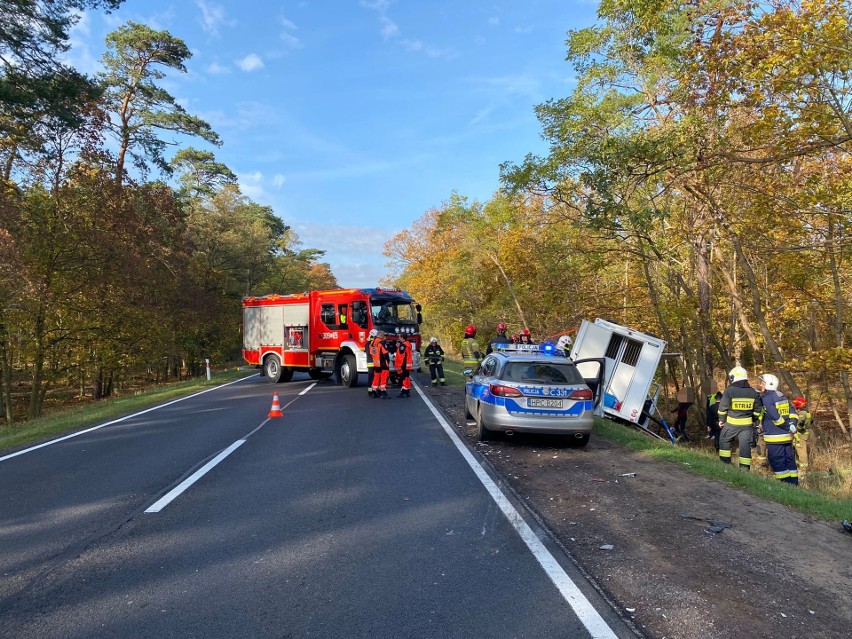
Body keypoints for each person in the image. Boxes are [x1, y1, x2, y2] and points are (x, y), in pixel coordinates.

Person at [755, 373, 799, 485]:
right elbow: (793, 412)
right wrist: (792, 425)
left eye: (762, 383)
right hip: (787, 437)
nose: (760, 385)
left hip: (775, 437)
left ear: (769, 384)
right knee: (789, 460)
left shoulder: (767, 398)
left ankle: (783, 485)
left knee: (777, 460)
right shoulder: (781, 396)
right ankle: (794, 484)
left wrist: (786, 426)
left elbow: (776, 418)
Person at [717, 366, 760, 470]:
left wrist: (721, 420)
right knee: (745, 447)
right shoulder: (753, 392)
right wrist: (752, 419)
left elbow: (722, 408)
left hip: (731, 424)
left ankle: (725, 465)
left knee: (724, 440)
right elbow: (758, 410)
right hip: (747, 426)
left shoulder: (730, 390)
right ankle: (744, 469)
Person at [791, 396, 811, 470]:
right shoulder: (806, 412)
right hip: (801, 434)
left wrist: (795, 430)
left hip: (800, 434)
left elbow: (800, 424)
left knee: (801, 451)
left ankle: (803, 469)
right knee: (797, 451)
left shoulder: (802, 413)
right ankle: (798, 467)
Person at [369, 332, 391, 399]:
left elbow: (371, 353)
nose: (384, 337)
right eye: (383, 335)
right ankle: (383, 392)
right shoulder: (381, 343)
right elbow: (385, 353)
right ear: (381, 335)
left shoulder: (372, 343)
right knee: (383, 378)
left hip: (376, 363)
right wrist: (388, 361)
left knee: (376, 377)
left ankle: (374, 391)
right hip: (383, 363)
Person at [365, 329, 379, 397]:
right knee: (371, 377)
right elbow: (369, 353)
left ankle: (374, 390)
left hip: (374, 362)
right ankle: (370, 391)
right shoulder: (368, 344)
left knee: (375, 377)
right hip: (371, 363)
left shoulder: (370, 343)